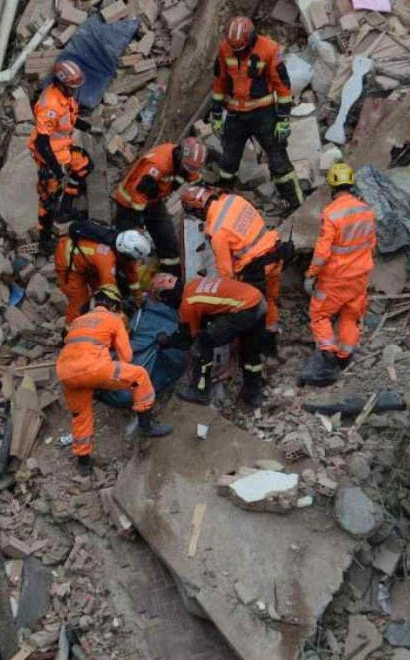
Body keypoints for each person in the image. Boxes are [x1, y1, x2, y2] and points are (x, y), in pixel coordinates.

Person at [56, 285, 172, 473]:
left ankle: (83, 462)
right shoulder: (113, 319)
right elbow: (126, 356)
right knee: (139, 375)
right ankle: (146, 425)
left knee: (81, 415)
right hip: (93, 368)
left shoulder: (78, 320)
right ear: (114, 306)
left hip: (66, 372)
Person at [210, 16, 302, 210]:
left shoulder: (269, 49)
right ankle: (222, 207)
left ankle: (297, 205)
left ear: (251, 38)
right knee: (228, 162)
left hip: (263, 114)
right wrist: (216, 114)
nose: (238, 52)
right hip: (235, 115)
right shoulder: (225, 48)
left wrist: (284, 119)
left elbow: (283, 87)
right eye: (234, 48)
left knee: (278, 161)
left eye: (241, 48)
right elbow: (219, 82)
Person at [301, 163, 377, 387]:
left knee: (319, 315)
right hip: (360, 275)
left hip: (335, 278)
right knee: (350, 315)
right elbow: (372, 242)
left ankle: (327, 359)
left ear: (333, 187)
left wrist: (311, 274)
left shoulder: (331, 213)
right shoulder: (366, 210)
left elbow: (322, 251)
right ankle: (344, 356)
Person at [180, 185, 284, 339]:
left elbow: (226, 272)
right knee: (270, 297)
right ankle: (272, 328)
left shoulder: (217, 231)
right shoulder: (234, 200)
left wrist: (226, 297)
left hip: (256, 268)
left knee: (253, 307)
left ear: (197, 211)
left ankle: (261, 344)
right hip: (275, 252)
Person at [154, 274, 268, 407]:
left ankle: (200, 391)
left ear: (167, 297)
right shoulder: (193, 284)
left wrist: (166, 341)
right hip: (257, 300)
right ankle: (253, 393)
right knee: (250, 350)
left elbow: (188, 337)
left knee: (202, 344)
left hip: (245, 309)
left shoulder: (188, 304)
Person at [112, 137, 208, 281]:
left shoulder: (184, 160)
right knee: (130, 247)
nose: (187, 170)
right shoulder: (157, 165)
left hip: (153, 200)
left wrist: (207, 192)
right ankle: (123, 280)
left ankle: (172, 281)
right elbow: (138, 195)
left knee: (168, 242)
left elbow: (193, 177)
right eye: (186, 167)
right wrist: (139, 226)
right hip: (130, 203)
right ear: (180, 156)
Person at [29, 59, 94, 249]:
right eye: (71, 86)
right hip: (49, 156)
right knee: (48, 200)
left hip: (63, 149)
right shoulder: (49, 106)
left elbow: (69, 118)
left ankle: (66, 209)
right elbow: (42, 143)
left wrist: (88, 127)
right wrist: (56, 170)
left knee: (84, 166)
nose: (74, 90)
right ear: (59, 83)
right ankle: (45, 238)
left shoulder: (66, 96)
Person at [54, 225, 153, 325]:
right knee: (80, 304)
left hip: (89, 264)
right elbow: (109, 291)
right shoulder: (106, 258)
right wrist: (121, 318)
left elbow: (131, 272)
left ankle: (97, 320)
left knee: (99, 293)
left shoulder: (121, 246)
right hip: (69, 264)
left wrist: (139, 298)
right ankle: (69, 333)